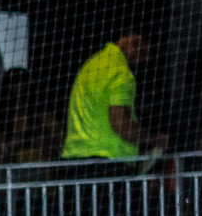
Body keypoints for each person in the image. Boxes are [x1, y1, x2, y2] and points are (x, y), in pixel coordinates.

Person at [60, 29, 161, 163]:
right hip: (107, 161)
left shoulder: (91, 64)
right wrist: (154, 140)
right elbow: (121, 124)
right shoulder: (121, 73)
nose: (145, 59)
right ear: (135, 41)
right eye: (144, 52)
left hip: (73, 159)